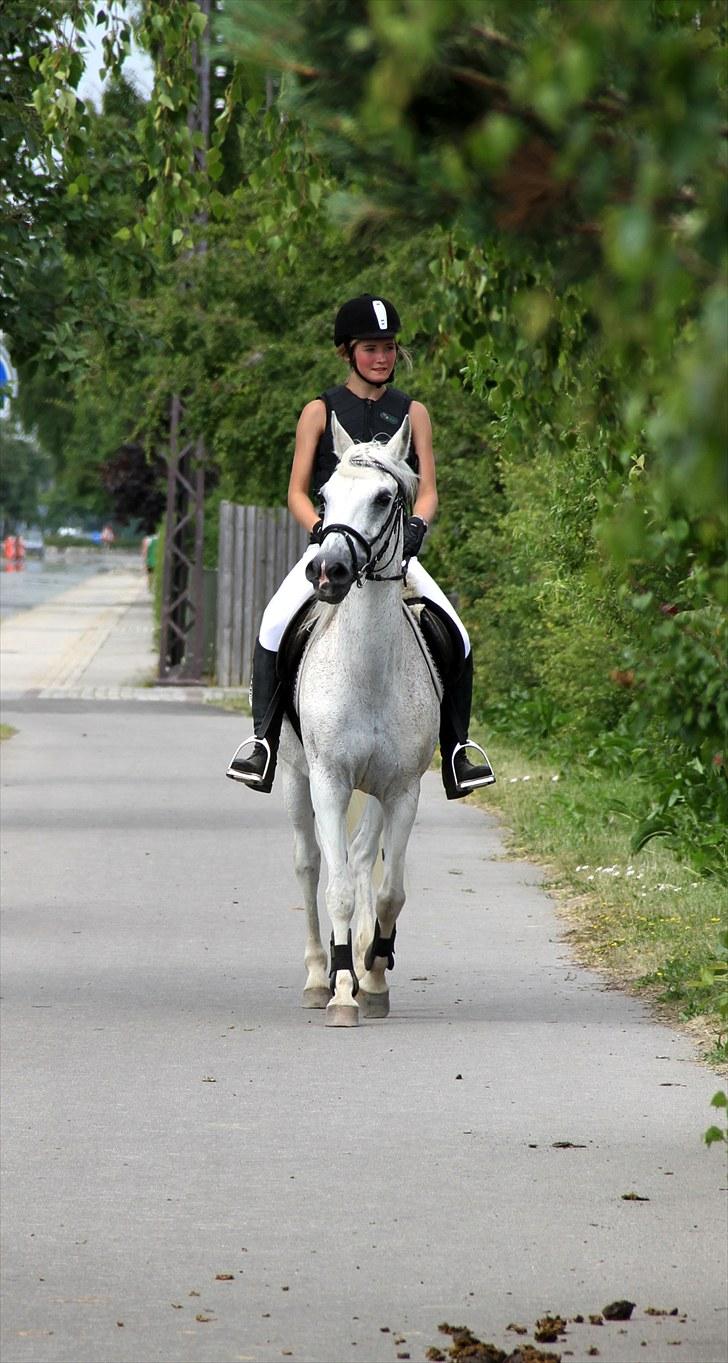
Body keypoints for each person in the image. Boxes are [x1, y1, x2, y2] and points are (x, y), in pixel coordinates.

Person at [226, 293, 495, 800]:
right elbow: (296, 491)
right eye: (371, 347)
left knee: (456, 632)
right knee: (274, 621)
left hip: (394, 552)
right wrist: (320, 534)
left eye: (389, 347)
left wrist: (418, 524)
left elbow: (430, 488)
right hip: (333, 550)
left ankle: (457, 749)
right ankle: (262, 743)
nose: (383, 357)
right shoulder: (319, 411)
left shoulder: (413, 413)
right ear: (347, 352)